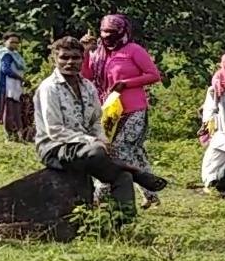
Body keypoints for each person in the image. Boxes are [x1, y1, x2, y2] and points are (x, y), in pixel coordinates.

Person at [34, 37, 166, 221]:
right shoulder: (49, 88)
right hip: (55, 148)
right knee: (96, 151)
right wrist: (93, 141)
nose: (70, 62)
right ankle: (136, 171)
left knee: (123, 177)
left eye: (75, 57)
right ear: (54, 59)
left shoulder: (88, 87)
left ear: (82, 59)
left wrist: (102, 139)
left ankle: (125, 222)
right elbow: (55, 130)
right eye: (64, 57)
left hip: (89, 149)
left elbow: (96, 121)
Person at [88, 14, 163, 209]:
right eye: (104, 32)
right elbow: (86, 76)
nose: (107, 36)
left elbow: (153, 75)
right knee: (135, 152)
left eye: (112, 32)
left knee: (119, 150)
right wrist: (86, 51)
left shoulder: (134, 50)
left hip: (134, 109)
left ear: (122, 32)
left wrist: (126, 83)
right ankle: (151, 194)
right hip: (110, 111)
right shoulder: (98, 53)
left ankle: (101, 195)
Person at [0, 32, 26, 141]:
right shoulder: (5, 54)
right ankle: (9, 134)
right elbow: (6, 70)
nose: (15, 44)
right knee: (9, 111)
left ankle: (18, 133)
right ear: (5, 42)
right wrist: (20, 78)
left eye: (17, 42)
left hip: (15, 86)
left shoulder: (15, 55)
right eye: (12, 42)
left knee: (15, 110)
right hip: (8, 86)